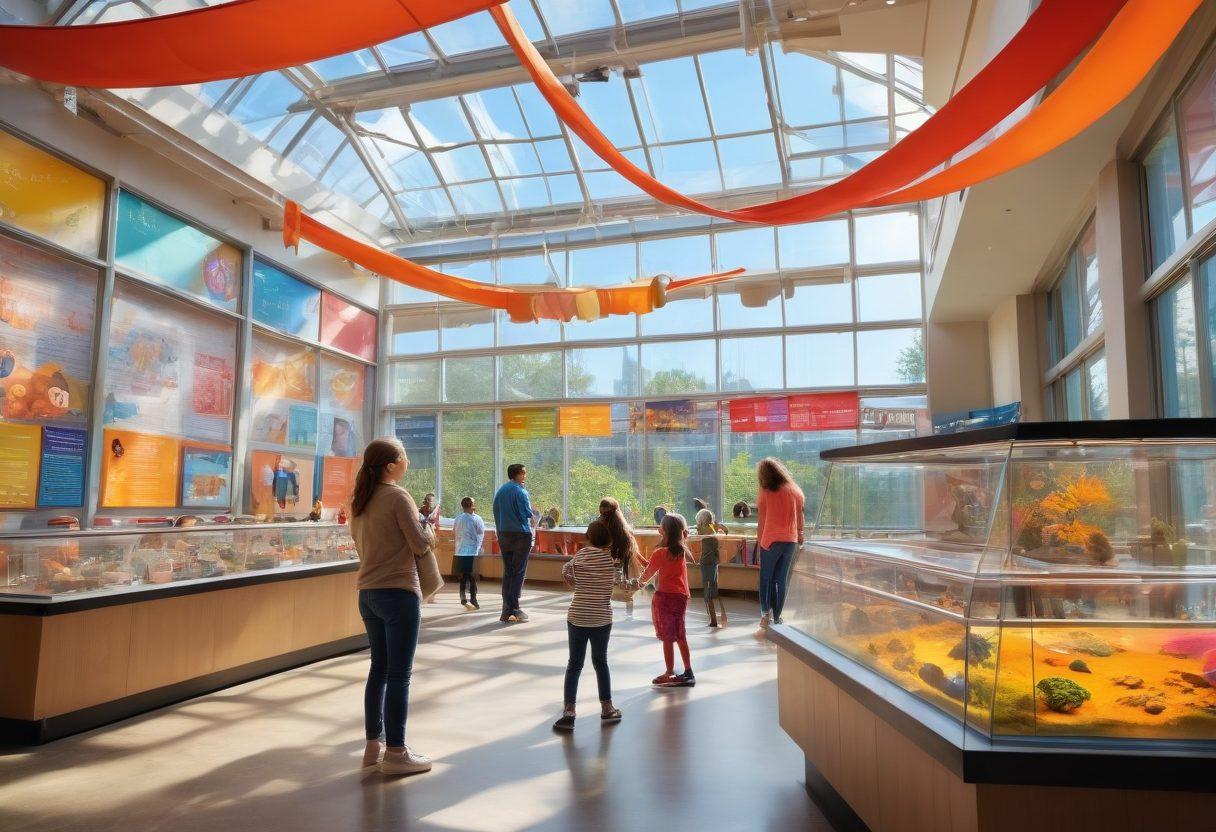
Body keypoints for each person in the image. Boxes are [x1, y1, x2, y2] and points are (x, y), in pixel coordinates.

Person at [349, 437, 435, 776]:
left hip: (367, 593)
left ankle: (374, 746)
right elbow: (418, 544)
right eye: (404, 456)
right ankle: (397, 753)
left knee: (379, 669)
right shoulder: (398, 496)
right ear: (390, 465)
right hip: (398, 592)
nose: (408, 461)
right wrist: (427, 530)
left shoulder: (361, 500)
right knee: (400, 675)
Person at [553, 519, 629, 731]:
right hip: (601, 618)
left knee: (574, 664)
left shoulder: (580, 556)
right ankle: (607, 707)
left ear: (588, 537)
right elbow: (620, 583)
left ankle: (569, 710)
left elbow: (566, 572)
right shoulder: (609, 561)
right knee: (600, 662)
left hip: (577, 616)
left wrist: (574, 584)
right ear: (608, 540)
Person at [640, 512, 696, 688]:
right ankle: (688, 671)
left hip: (665, 597)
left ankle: (669, 671)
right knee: (680, 635)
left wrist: (637, 582)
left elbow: (647, 573)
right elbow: (654, 565)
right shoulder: (680, 551)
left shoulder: (660, 553)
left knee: (667, 637)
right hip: (681, 597)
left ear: (663, 530)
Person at [755, 457, 805, 631]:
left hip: (770, 541)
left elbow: (762, 520)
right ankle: (777, 617)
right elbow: (800, 516)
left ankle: (764, 615)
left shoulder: (766, 490)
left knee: (766, 578)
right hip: (790, 541)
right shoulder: (795, 490)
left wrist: (759, 543)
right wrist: (800, 534)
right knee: (781, 580)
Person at [493, 463, 535, 623]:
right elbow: (526, 513)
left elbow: (496, 512)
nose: (525, 476)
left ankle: (506, 610)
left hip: (504, 535)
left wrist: (500, 531)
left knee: (508, 572)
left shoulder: (501, 491)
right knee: (518, 572)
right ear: (516, 474)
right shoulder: (521, 491)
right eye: (523, 473)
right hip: (520, 535)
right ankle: (515, 608)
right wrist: (534, 513)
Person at [599, 497, 643, 618]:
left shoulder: (600, 527)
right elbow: (633, 550)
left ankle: (604, 615)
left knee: (604, 592)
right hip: (624, 567)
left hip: (606, 567)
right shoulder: (625, 529)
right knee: (628, 592)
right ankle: (629, 616)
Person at [696, 509, 727, 628]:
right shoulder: (714, 526)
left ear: (701, 520)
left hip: (706, 561)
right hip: (714, 561)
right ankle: (715, 617)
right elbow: (725, 529)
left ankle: (713, 619)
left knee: (707, 589)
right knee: (713, 586)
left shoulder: (701, 528)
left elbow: (694, 532)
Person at [452, 496, 485, 611]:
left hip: (460, 552)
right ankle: (473, 599)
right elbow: (481, 533)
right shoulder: (476, 519)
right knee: (471, 577)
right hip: (471, 552)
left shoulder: (458, 519)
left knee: (463, 576)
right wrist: (479, 548)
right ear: (471, 505)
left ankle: (464, 598)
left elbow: (454, 533)